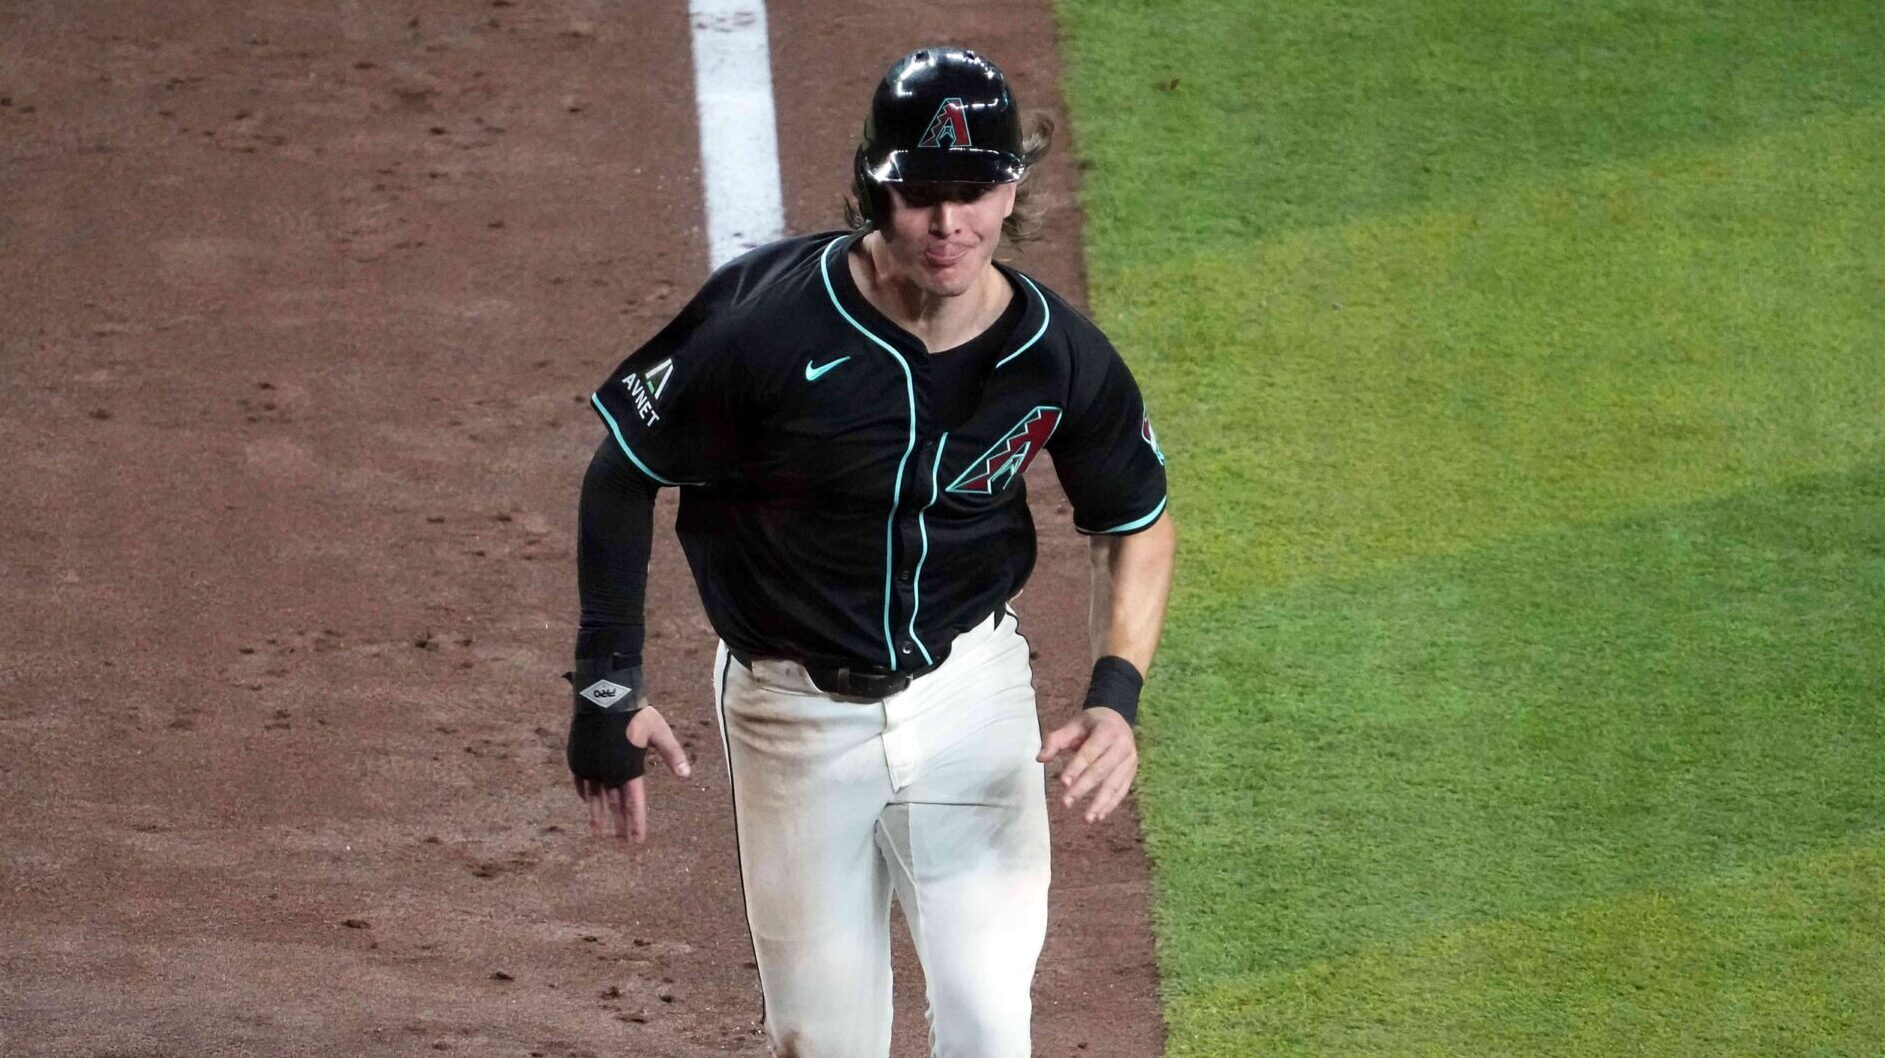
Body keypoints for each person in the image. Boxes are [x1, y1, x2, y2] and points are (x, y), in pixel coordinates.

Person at [563, 45, 1176, 1058]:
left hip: (969, 697)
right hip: (793, 714)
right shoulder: (769, 319)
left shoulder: (1053, 352)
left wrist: (1114, 692)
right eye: (920, 194)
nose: (948, 224)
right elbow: (623, 467)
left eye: (973, 191)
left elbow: (1140, 520)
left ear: (1010, 187)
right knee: (825, 1041)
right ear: (875, 188)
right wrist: (604, 684)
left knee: (989, 1026)